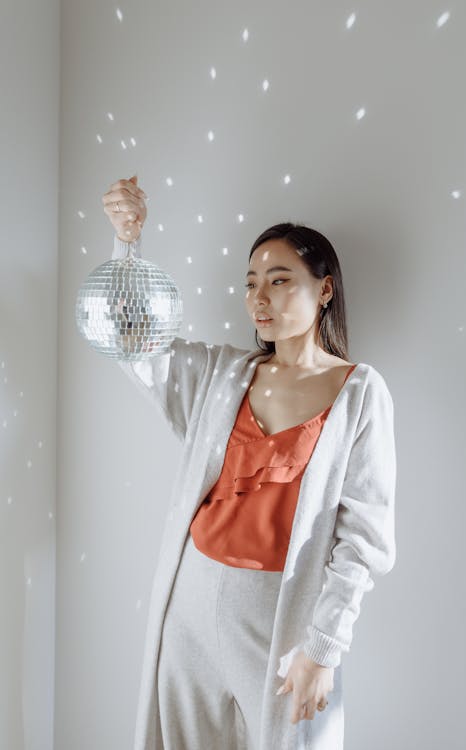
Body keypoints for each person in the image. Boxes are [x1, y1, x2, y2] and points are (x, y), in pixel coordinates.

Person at [102, 176, 397, 750]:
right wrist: (127, 245)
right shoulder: (222, 374)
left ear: (325, 289)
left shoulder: (360, 393)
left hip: (278, 616)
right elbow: (132, 341)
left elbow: (363, 540)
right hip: (188, 604)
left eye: (280, 280)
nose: (259, 297)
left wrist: (322, 650)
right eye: (251, 283)